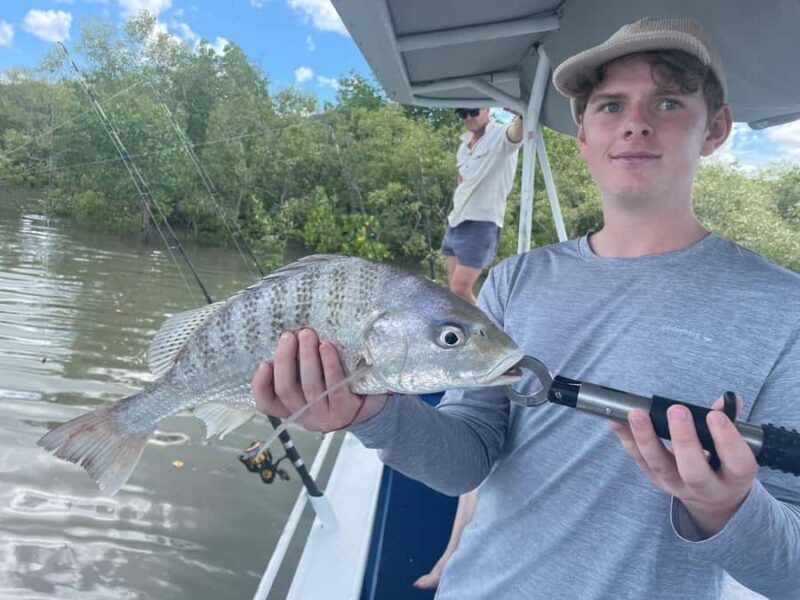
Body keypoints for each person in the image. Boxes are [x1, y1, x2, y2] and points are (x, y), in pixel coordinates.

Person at [251, 17, 800, 599]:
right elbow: (468, 460)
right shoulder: (515, 279)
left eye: (667, 102)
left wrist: (727, 509)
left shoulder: (784, 309)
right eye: (611, 106)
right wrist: (369, 416)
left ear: (715, 129)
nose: (636, 123)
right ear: (582, 133)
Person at [441, 107, 523, 305]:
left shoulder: (501, 134)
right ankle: (469, 333)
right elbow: (462, 180)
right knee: (453, 292)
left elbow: (518, 131)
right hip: (455, 221)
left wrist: (522, 112)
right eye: (462, 113)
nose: (468, 117)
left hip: (482, 223)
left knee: (460, 289)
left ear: (487, 109)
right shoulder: (463, 146)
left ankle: (490, 331)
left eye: (473, 111)